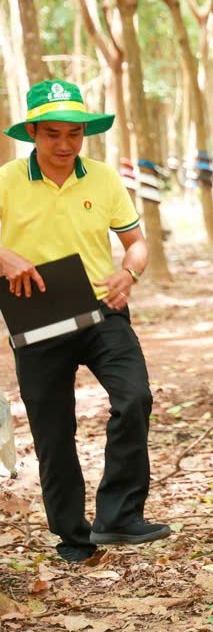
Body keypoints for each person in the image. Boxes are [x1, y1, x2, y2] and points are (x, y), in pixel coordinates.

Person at [0, 79, 169, 562]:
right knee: (53, 432)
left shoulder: (103, 178)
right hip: (37, 318)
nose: (65, 144)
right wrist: (4, 257)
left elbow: (137, 243)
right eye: (53, 134)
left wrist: (129, 272)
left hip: (101, 311)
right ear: (33, 132)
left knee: (134, 397)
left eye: (74, 134)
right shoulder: (7, 179)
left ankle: (120, 516)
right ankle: (73, 535)